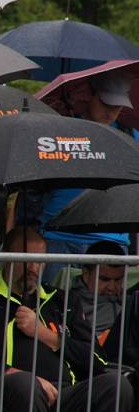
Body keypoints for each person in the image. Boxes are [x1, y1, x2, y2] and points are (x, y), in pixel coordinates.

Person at [0, 226, 133, 412]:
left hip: (64, 392)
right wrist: (11, 372)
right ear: (4, 257)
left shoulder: (62, 301)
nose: (34, 268)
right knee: (25, 385)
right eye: (27, 259)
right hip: (0, 390)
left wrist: (46, 335)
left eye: (40, 261)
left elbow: (98, 359)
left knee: (116, 385)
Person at [35, 70, 132, 282]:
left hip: (112, 239)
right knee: (52, 307)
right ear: (90, 95)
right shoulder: (60, 129)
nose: (111, 112)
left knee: (109, 311)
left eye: (117, 107)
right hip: (59, 237)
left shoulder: (130, 135)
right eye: (106, 104)